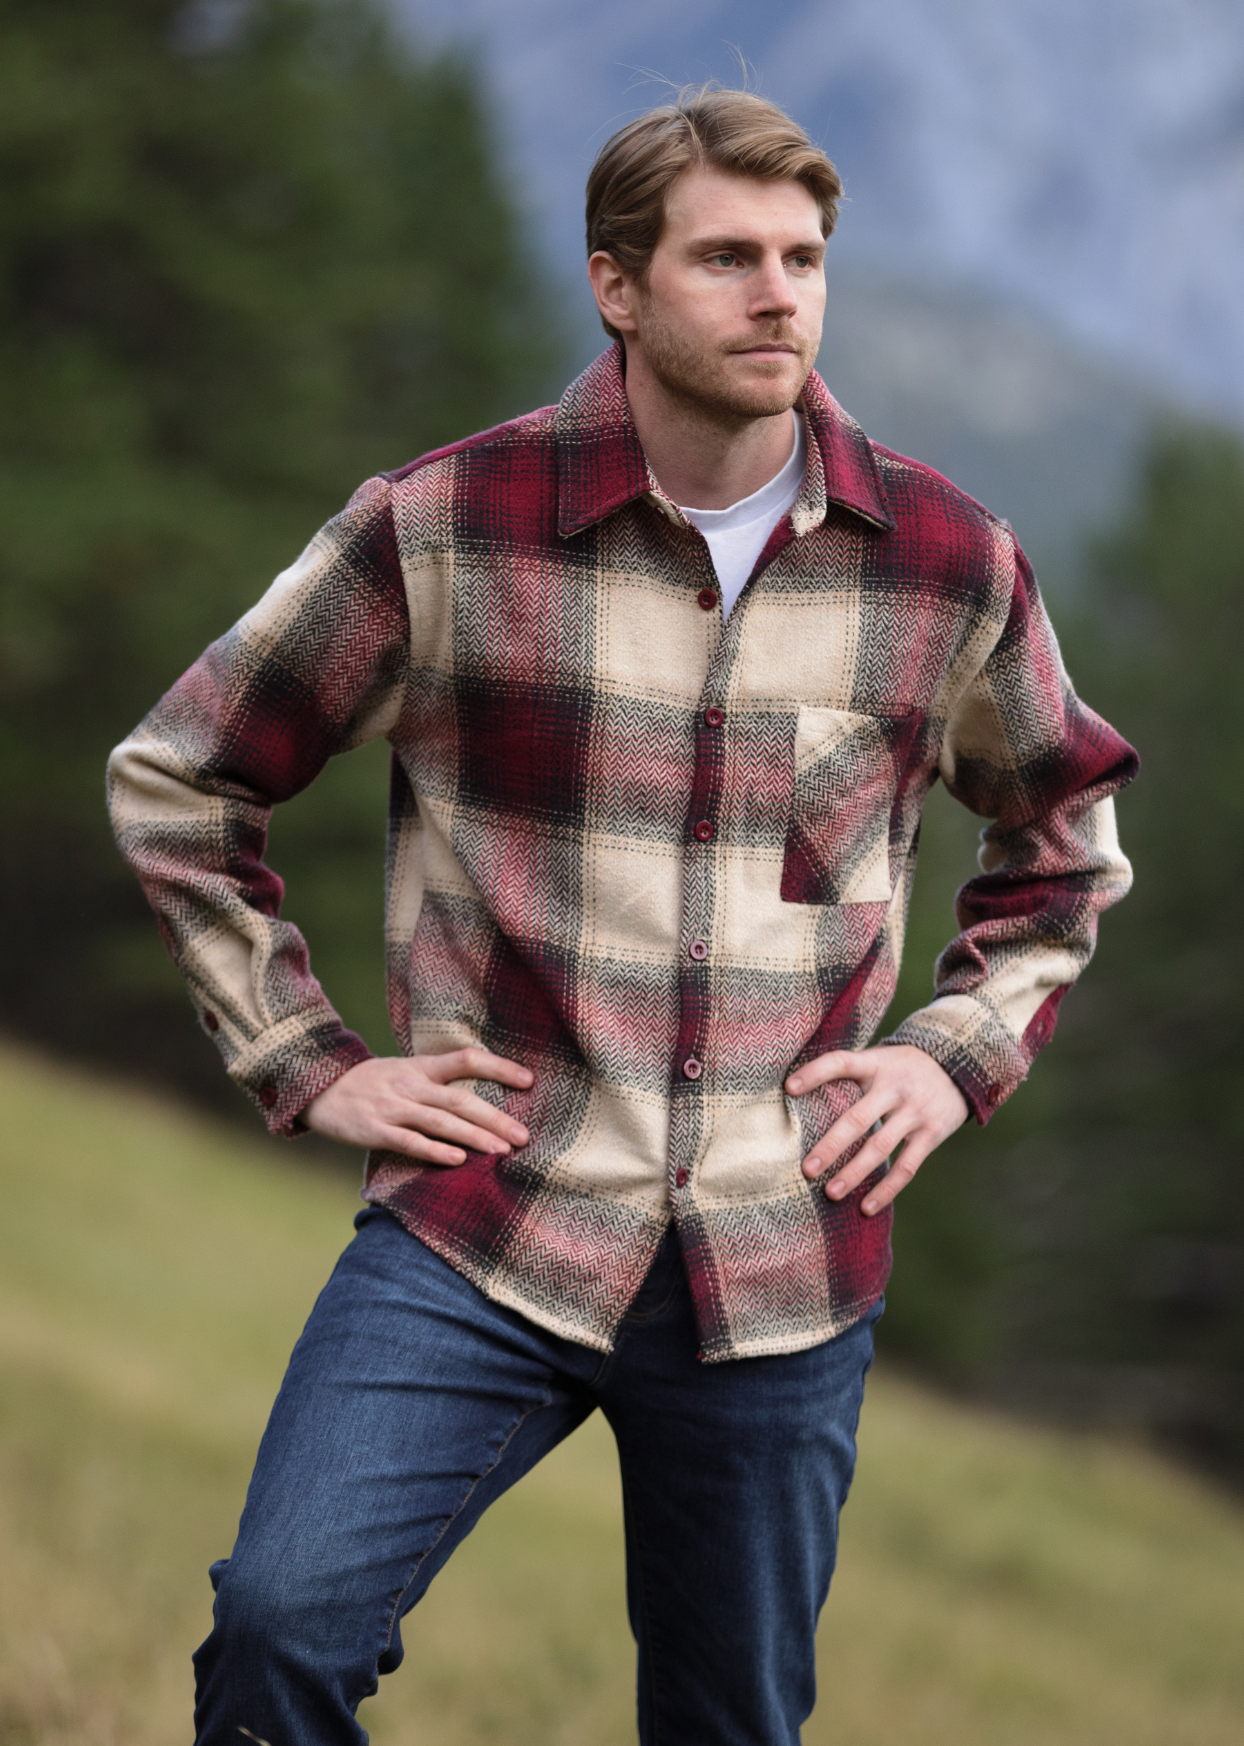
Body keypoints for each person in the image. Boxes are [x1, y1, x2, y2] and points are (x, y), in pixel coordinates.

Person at [108, 87, 1136, 1746]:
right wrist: (307, 1056)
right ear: (618, 285)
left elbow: (1063, 849)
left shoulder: (945, 560)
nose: (780, 293)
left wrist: (952, 1062)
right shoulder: (443, 526)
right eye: (727, 257)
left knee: (730, 1728)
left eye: (804, 256)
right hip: (488, 1221)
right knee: (280, 1627)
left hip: (782, 1252)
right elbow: (180, 779)